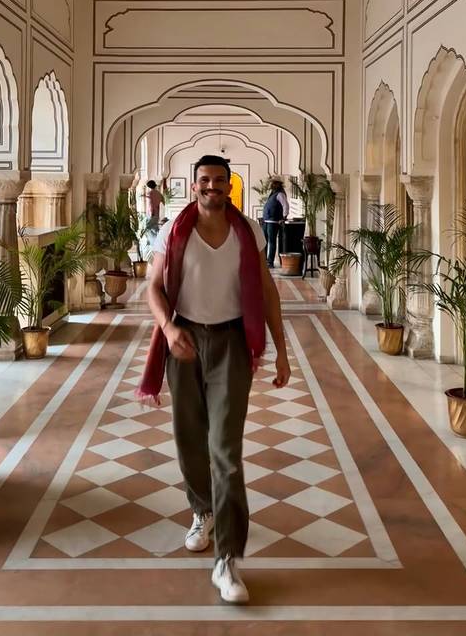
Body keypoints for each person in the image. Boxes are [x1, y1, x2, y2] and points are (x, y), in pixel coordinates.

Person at [137, 155, 290, 605]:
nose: (211, 187)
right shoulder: (174, 230)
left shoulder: (247, 232)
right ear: (194, 185)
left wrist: (281, 350)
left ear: (229, 186)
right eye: (204, 181)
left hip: (231, 344)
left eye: (219, 181)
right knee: (189, 439)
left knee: (225, 449)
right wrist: (168, 328)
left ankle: (228, 558)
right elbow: (152, 285)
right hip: (183, 339)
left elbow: (267, 291)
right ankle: (201, 510)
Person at [261, 179, 289, 267]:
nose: (272, 185)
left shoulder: (280, 194)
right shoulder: (273, 194)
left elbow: (286, 206)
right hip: (266, 221)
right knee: (264, 241)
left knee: (272, 241)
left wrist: (284, 217)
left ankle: (270, 262)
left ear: (278, 185)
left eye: (274, 184)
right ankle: (263, 260)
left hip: (273, 221)